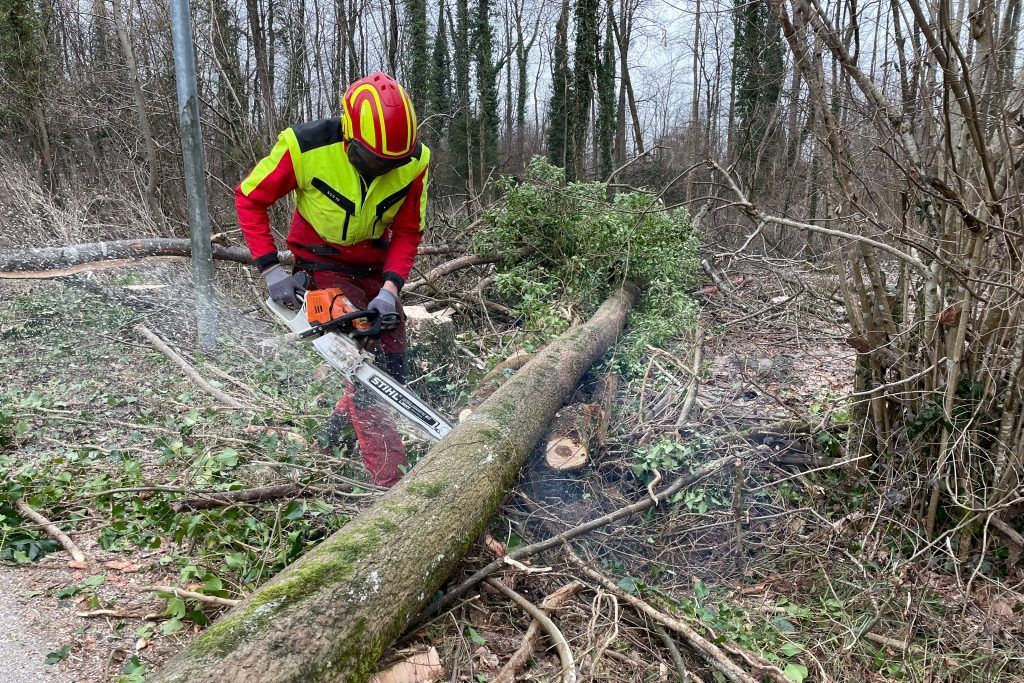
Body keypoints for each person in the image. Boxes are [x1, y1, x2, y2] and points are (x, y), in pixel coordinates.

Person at [235, 72, 429, 488]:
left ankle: (329, 437)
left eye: (393, 162)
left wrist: (390, 291)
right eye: (376, 161)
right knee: (364, 368)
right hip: (320, 262)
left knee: (391, 361)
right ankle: (389, 480)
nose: (385, 168)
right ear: (349, 138)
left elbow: (408, 231)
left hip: (375, 265)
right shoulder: (304, 147)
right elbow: (250, 198)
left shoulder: (415, 160)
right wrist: (270, 269)